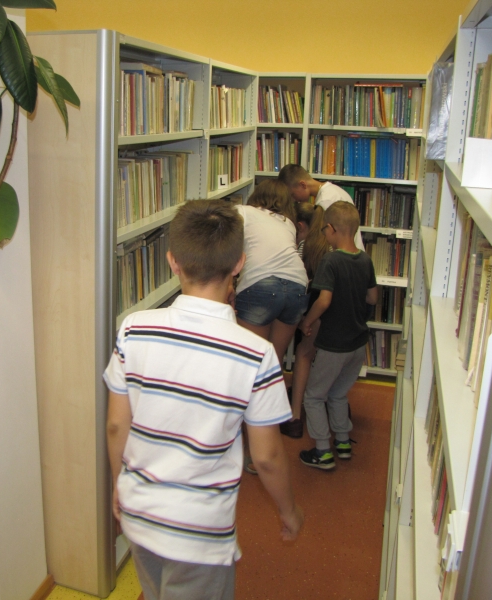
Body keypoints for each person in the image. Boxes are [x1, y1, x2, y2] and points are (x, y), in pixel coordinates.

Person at [104, 200, 304, 600]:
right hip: (200, 533)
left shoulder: (134, 329)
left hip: (140, 514)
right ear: (239, 264)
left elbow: (115, 425)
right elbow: (266, 456)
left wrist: (119, 485)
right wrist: (288, 510)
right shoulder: (256, 354)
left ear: (172, 262)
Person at [297, 201, 378, 469]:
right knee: (338, 394)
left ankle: (323, 451)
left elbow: (324, 300)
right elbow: (373, 297)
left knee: (314, 396)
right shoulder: (365, 260)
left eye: (324, 230)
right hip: (358, 344)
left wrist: (307, 322)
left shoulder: (330, 261)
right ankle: (342, 442)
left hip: (334, 344)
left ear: (331, 229)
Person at [232, 179, 309, 380]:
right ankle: (274, 399)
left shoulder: (244, 211)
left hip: (261, 284)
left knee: (250, 361)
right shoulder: (288, 224)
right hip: (298, 286)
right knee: (274, 362)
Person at [279, 202, 329, 439]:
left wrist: (304, 319)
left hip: (312, 309)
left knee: (303, 354)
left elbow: (297, 280)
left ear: (300, 226)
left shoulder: (301, 246)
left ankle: (295, 416)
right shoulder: (329, 245)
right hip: (331, 314)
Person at [278, 164, 365, 250]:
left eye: (292, 195)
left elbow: (323, 241)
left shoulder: (325, 201)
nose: (293, 200)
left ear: (303, 185)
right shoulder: (333, 190)